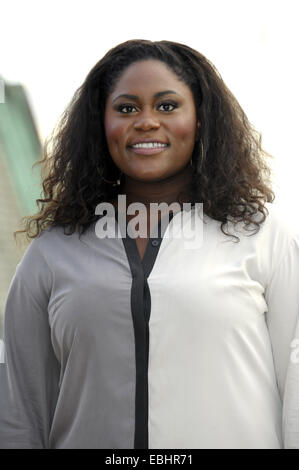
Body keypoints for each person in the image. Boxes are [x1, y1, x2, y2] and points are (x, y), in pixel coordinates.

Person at [0, 39, 299, 449]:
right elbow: (19, 412)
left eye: (167, 105)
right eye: (126, 108)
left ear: (201, 119)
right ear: (100, 124)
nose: (145, 122)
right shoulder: (52, 254)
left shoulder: (260, 236)